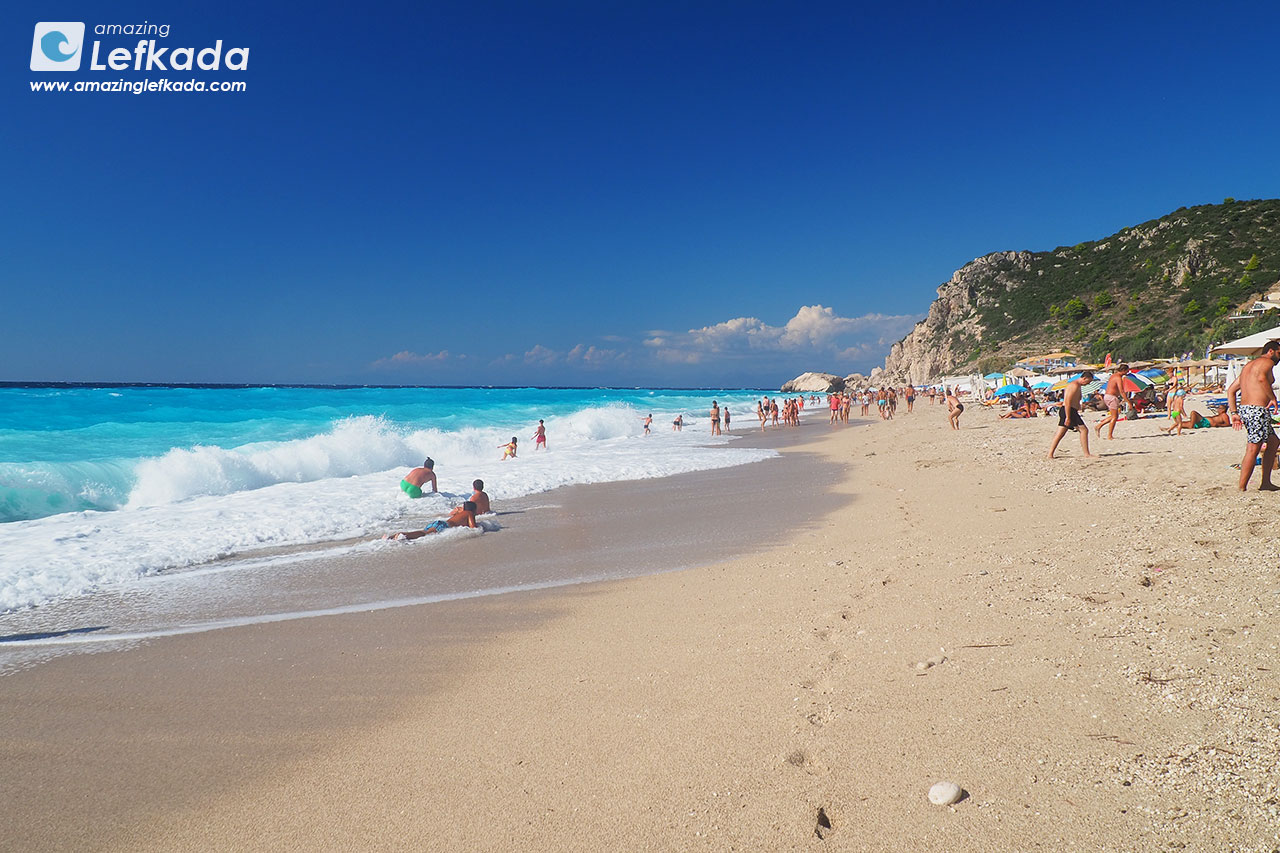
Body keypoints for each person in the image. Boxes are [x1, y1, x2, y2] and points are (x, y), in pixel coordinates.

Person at [1226, 340, 1280, 491]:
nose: (1279, 357)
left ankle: (1266, 483)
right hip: (1256, 409)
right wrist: (1273, 398)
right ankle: (1242, 487)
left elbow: (1231, 390)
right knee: (1253, 447)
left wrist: (1234, 412)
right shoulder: (1266, 362)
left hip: (1247, 409)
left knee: (1274, 442)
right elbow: (1262, 379)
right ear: (1271, 351)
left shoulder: (1248, 367)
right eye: (1279, 353)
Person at [1047, 371, 1095, 459]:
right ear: (1084, 378)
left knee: (1061, 432)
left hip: (1070, 411)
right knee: (1084, 430)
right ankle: (1086, 454)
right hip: (1068, 411)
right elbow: (1068, 402)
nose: (1088, 383)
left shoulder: (1078, 386)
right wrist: (1068, 417)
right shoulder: (1074, 385)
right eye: (1088, 381)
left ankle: (1050, 454)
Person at [382, 501, 478, 540]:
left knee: (424, 532)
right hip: (443, 526)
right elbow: (474, 528)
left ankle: (390, 538)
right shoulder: (469, 513)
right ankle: (402, 535)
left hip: (440, 523)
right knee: (424, 534)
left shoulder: (461, 513)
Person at [1095, 364, 1130, 440]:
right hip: (1112, 397)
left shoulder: (1113, 376)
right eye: (1127, 371)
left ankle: (1099, 426)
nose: (1127, 372)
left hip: (1107, 396)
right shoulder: (1118, 378)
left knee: (1114, 416)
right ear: (1123, 370)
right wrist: (1129, 402)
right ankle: (1109, 435)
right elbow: (1122, 391)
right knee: (1114, 417)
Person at [1161, 407, 1230, 435]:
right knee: (1181, 423)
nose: (1218, 409)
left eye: (1219, 408)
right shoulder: (1220, 415)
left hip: (1206, 422)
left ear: (1223, 410)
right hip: (1203, 422)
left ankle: (1191, 425)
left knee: (1193, 412)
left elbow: (1227, 424)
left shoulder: (1224, 415)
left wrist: (1218, 425)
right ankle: (1168, 428)